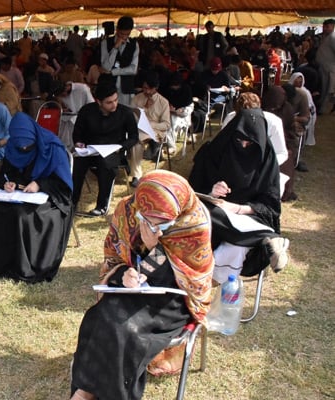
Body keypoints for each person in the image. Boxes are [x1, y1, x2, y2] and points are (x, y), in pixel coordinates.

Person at [70, 170, 214, 400]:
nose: (153, 227)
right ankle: (86, 390)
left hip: (173, 298)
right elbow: (114, 256)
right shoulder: (127, 210)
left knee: (128, 329)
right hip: (132, 290)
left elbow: (192, 279)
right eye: (147, 220)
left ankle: (89, 393)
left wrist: (154, 248)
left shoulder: (194, 223)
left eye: (162, 223)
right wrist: (124, 275)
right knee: (99, 316)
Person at [188, 108, 290, 283]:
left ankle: (264, 237)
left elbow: (270, 207)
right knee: (204, 211)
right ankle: (267, 239)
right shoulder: (214, 152)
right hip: (215, 213)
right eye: (238, 140)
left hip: (249, 216)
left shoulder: (266, 160)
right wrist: (212, 191)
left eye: (249, 144)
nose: (243, 147)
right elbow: (191, 192)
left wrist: (237, 208)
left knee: (212, 216)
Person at [0, 112, 73, 283]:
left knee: (22, 215)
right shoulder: (12, 147)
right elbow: (6, 174)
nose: (24, 149)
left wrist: (39, 184)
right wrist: (8, 184)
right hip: (19, 195)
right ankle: (1, 263)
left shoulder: (52, 147)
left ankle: (26, 265)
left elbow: (63, 184)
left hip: (49, 195)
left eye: (28, 146)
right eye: (20, 147)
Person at [72, 79, 139, 216]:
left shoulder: (125, 112)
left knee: (106, 165)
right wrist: (78, 143)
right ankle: (71, 203)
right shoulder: (86, 111)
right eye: (109, 102)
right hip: (90, 150)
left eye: (116, 100)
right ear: (99, 102)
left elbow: (134, 137)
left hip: (114, 151)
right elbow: (77, 133)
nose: (114, 104)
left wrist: (121, 147)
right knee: (77, 164)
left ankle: (101, 206)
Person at [130, 72, 171, 177]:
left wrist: (151, 125)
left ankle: (152, 149)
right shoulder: (137, 98)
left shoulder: (163, 102)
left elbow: (166, 125)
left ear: (155, 88)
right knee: (136, 142)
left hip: (156, 132)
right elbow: (131, 117)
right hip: (138, 130)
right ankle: (136, 175)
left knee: (136, 138)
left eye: (149, 89)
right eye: (144, 88)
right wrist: (144, 108)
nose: (146, 91)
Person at [99, 16, 139, 106]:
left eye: (127, 34)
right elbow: (106, 67)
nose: (124, 37)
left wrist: (113, 72)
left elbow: (133, 69)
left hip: (126, 88)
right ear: (117, 29)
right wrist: (115, 48)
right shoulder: (105, 43)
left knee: (126, 112)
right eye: (121, 34)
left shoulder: (134, 45)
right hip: (109, 87)